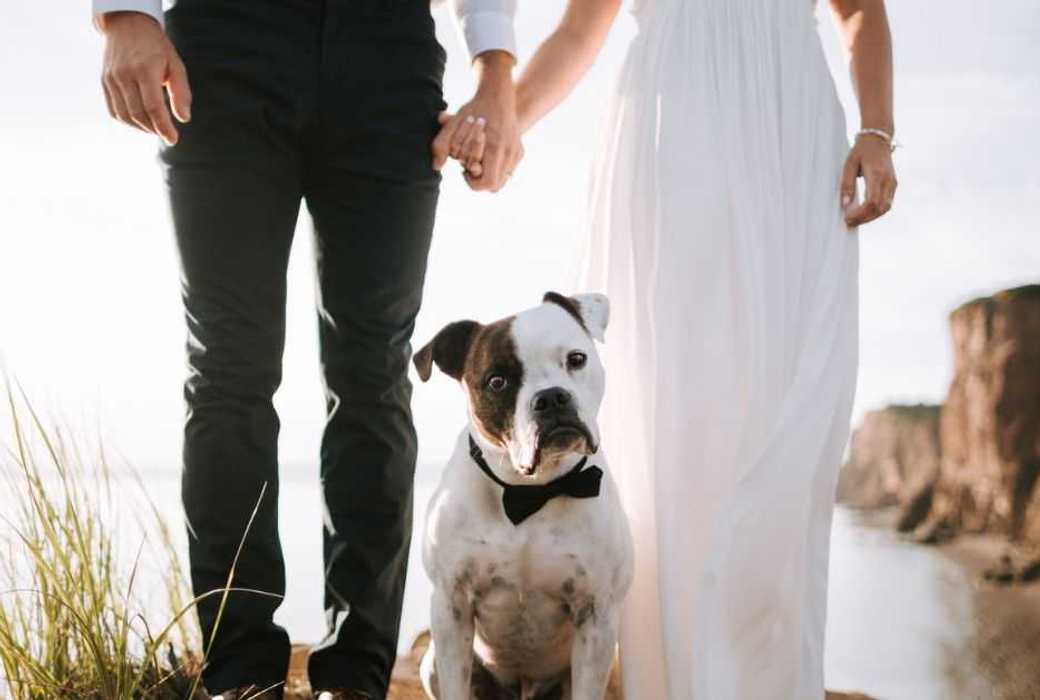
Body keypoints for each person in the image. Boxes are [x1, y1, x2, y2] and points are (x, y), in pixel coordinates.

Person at [445, 0, 896, 697]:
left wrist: (876, 129)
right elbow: (577, 31)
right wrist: (509, 123)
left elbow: (860, 10)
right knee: (663, 409)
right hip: (664, 135)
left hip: (787, 130)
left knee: (781, 412)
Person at [94, 0, 520, 697]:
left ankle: (354, 679)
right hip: (223, 45)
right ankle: (241, 677)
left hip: (388, 58)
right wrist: (123, 14)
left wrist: (496, 70)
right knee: (228, 366)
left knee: (375, 372)